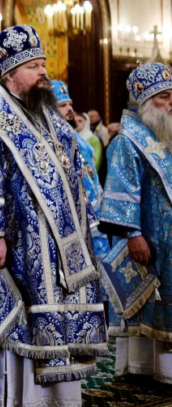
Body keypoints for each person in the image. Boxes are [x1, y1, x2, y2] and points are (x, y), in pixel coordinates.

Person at [0, 25, 106, 406]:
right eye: (33, 66)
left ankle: (59, 399)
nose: (43, 72)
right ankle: (20, 399)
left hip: (61, 246)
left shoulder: (50, 117)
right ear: (11, 75)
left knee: (59, 317)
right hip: (19, 244)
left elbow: (74, 175)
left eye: (43, 64)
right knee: (20, 323)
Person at [99, 62, 172, 383]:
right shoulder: (128, 141)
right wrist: (132, 234)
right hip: (148, 240)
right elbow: (120, 191)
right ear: (145, 102)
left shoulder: (165, 135)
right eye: (164, 97)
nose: (171, 104)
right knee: (146, 300)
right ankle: (143, 369)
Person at [52, 81, 109, 262]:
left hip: (94, 207)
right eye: (62, 105)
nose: (69, 109)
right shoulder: (50, 138)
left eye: (70, 104)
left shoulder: (72, 134)